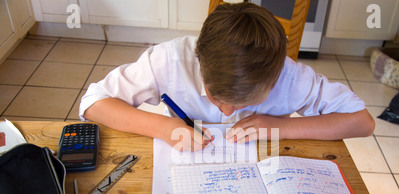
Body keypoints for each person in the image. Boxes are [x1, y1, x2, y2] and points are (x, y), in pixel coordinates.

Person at [80, 2, 374, 151]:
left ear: (275, 79)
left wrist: (278, 127)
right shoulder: (169, 60)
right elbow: (92, 103)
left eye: (247, 104)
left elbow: (362, 122)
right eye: (216, 98)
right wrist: (164, 127)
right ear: (199, 61)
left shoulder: (290, 77)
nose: (228, 113)